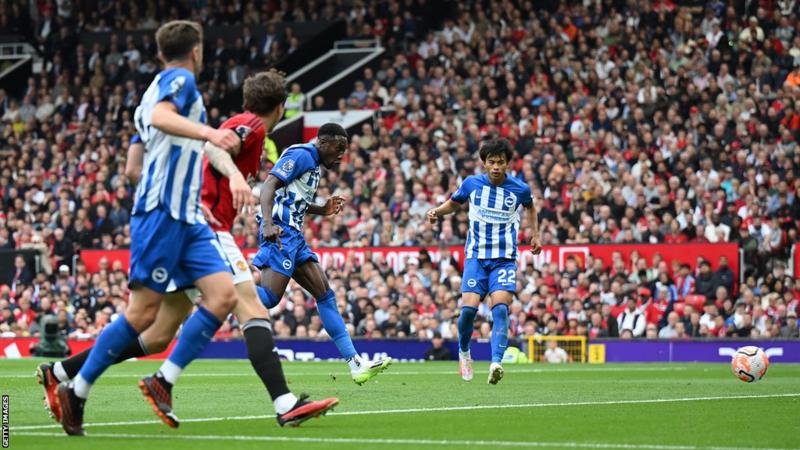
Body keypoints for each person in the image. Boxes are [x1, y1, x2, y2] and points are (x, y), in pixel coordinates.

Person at [37, 71, 337, 429]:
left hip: (190, 223)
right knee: (250, 307)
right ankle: (281, 402)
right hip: (206, 230)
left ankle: (62, 372)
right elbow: (213, 148)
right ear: (281, 106)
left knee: (158, 332)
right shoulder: (253, 125)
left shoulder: (238, 122)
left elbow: (154, 167)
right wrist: (235, 180)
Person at [53, 20, 244, 436]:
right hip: (162, 215)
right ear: (196, 51)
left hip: (183, 216)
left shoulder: (147, 93)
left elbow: (132, 168)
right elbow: (161, 118)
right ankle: (77, 388)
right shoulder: (179, 81)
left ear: (160, 51)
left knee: (223, 294)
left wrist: (180, 195)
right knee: (141, 314)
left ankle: (162, 381)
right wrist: (210, 133)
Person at [255, 122, 392, 384]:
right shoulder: (301, 155)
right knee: (270, 299)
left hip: (295, 236)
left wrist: (323, 209)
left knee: (325, 295)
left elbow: (296, 201)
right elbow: (269, 186)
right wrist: (268, 223)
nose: (341, 155)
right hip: (281, 233)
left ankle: (355, 364)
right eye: (339, 148)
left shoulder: (314, 164)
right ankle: (217, 288)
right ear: (324, 143)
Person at [427, 138, 542, 384]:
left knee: (500, 308)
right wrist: (436, 211)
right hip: (476, 257)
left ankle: (496, 362)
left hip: (504, 259)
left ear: (508, 164)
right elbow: (454, 203)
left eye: (501, 162)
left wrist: (535, 234)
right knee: (468, 310)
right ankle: (464, 352)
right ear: (484, 163)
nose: (496, 167)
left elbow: (531, 208)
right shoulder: (472, 184)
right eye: (492, 162)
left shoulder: (519, 189)